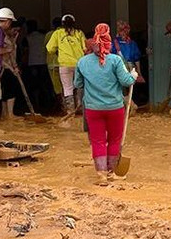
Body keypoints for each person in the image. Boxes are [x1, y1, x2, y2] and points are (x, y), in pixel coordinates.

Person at [74, 23, 137, 186]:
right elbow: (126, 81)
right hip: (114, 107)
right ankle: (111, 173)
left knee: (97, 141)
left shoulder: (82, 62)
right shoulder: (115, 60)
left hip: (92, 108)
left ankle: (101, 175)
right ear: (108, 41)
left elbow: (78, 84)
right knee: (115, 140)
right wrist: (134, 75)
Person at [46, 14, 86, 116]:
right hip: (79, 64)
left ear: (62, 23)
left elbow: (50, 49)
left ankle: (70, 112)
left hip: (64, 64)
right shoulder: (79, 33)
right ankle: (80, 108)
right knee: (79, 86)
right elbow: (85, 48)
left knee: (67, 88)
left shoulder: (58, 33)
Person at [24, 20, 53, 113]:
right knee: (44, 85)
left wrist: (22, 63)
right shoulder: (43, 36)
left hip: (32, 64)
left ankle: (36, 104)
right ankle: (48, 104)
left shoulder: (27, 38)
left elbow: (26, 52)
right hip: (44, 63)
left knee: (34, 85)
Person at [0, 23, 23, 120]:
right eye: (14, 30)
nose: (16, 33)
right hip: (4, 68)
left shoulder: (12, 41)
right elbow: (1, 59)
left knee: (6, 91)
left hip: (10, 68)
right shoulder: (4, 40)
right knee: (10, 90)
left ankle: (5, 114)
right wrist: (11, 68)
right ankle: (9, 114)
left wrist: (15, 67)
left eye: (18, 31)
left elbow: (13, 57)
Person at [45, 17, 63, 106]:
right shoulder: (65, 34)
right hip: (64, 63)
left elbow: (47, 48)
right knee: (67, 85)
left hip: (52, 63)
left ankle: (62, 106)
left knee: (57, 87)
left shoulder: (49, 34)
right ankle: (68, 106)